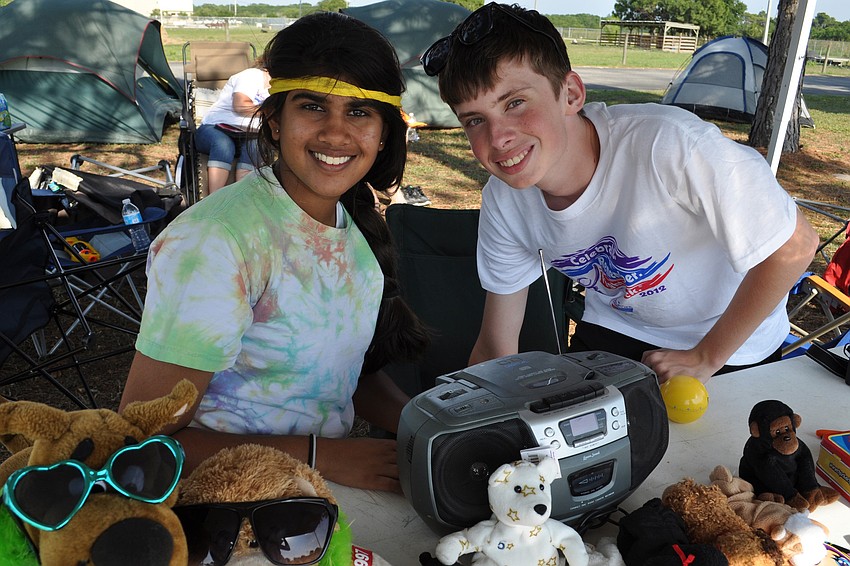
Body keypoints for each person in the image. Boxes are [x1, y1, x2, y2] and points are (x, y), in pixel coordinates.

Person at [422, 3, 819, 384]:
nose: (499, 138)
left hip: (731, 340)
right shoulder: (505, 199)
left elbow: (795, 246)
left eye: (516, 102)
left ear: (572, 94)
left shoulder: (671, 146)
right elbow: (497, 344)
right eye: (475, 120)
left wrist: (706, 356)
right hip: (616, 328)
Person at [119, 11, 429, 492]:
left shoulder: (351, 222)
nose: (336, 133)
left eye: (359, 112)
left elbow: (334, 375)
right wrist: (323, 457)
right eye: (312, 106)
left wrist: (427, 423)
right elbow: (141, 445)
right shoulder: (216, 242)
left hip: (313, 497)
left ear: (384, 132)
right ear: (276, 120)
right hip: (222, 508)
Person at [195, 56, 270, 193]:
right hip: (215, 128)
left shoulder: (281, 88)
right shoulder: (252, 76)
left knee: (255, 146)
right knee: (224, 144)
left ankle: (239, 199)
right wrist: (271, 112)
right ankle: (215, 200)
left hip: (248, 135)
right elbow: (240, 105)